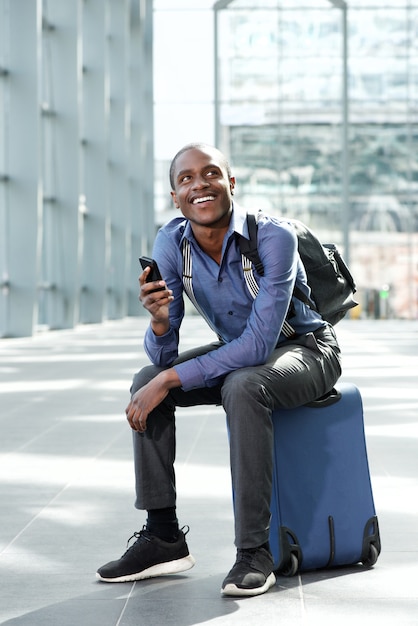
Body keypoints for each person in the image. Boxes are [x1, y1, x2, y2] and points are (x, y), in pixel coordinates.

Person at [96, 143, 342, 597]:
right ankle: (163, 535)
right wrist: (158, 322)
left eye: (211, 173)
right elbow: (164, 358)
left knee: (243, 385)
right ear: (175, 196)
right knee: (146, 381)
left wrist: (170, 379)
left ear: (230, 183)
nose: (199, 184)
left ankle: (255, 553)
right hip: (241, 352)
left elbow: (259, 344)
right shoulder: (171, 242)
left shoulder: (272, 237)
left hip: (307, 350)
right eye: (186, 178)